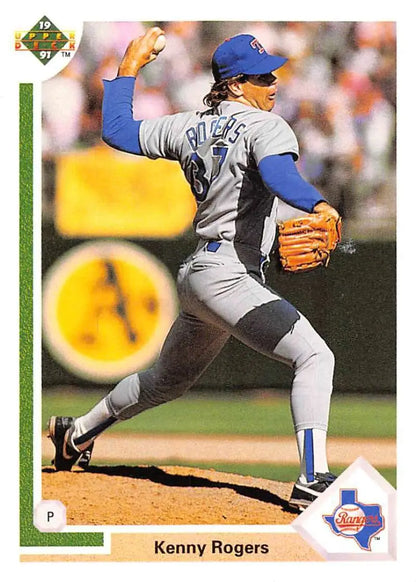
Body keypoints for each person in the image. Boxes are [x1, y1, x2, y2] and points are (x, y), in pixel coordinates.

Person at [48, 26, 340, 512]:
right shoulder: (268, 127)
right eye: (262, 77)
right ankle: (312, 477)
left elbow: (118, 130)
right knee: (315, 358)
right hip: (229, 274)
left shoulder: (187, 126)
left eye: (273, 75)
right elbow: (278, 174)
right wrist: (318, 202)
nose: (273, 84)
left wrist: (128, 69)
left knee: (167, 381)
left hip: (200, 276)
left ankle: (76, 433)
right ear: (234, 84)